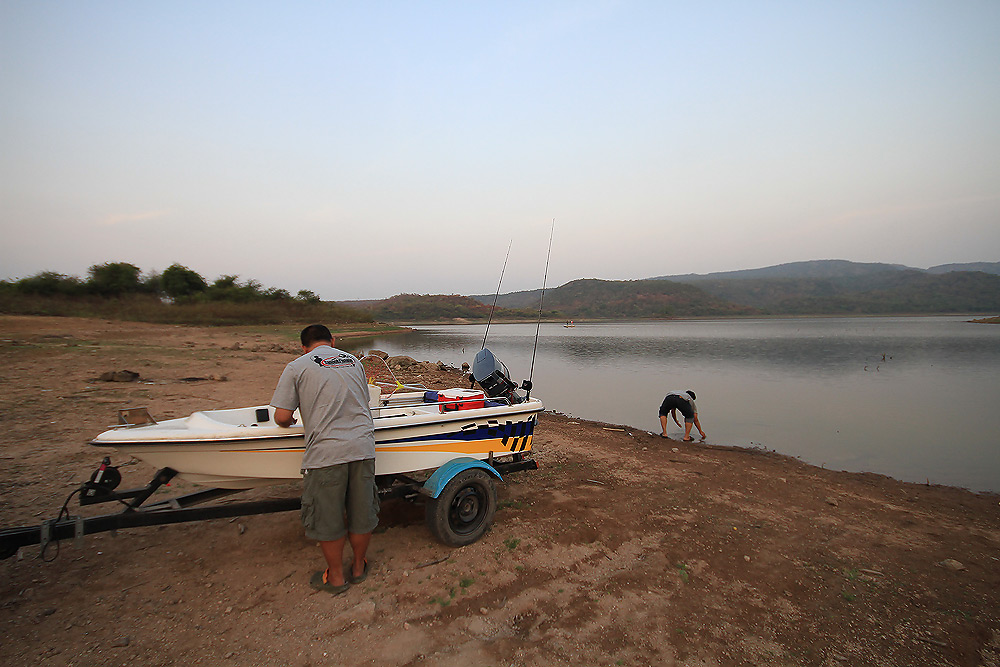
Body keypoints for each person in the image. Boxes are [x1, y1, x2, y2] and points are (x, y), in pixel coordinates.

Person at [271, 324, 378, 595]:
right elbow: (361, 402)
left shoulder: (297, 366)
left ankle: (337, 578)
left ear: (303, 346)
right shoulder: (354, 361)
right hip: (363, 448)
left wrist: (292, 419)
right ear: (332, 340)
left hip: (326, 454)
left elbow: (283, 417)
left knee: (328, 518)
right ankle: (357, 567)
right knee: (361, 513)